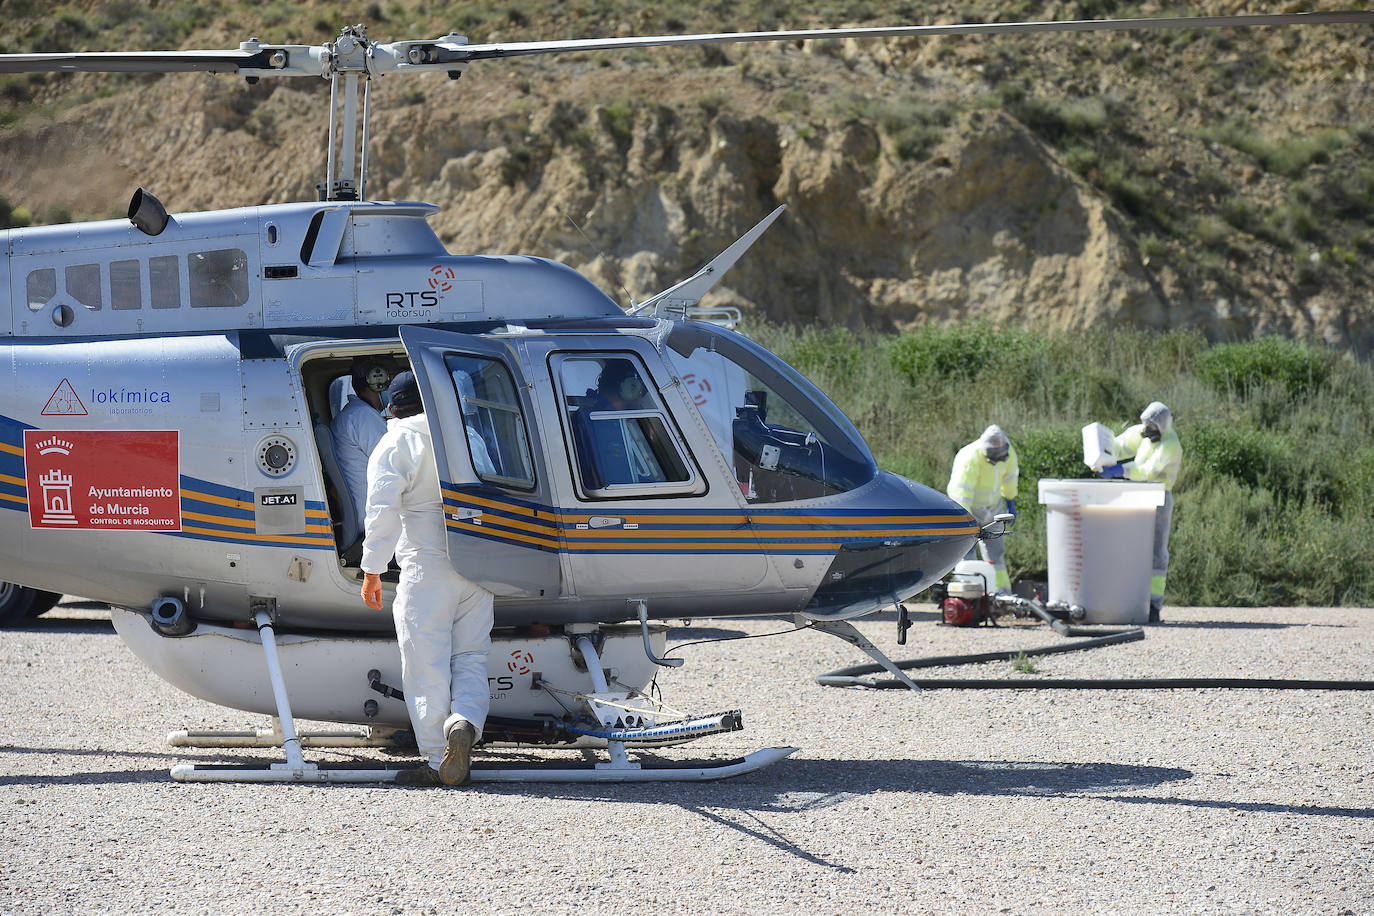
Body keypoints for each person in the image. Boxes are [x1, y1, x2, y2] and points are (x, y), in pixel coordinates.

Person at [360, 371, 493, 787]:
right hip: (479, 566)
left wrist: (371, 569)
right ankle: (465, 721)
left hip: (426, 567)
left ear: (392, 406)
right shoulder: (469, 436)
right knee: (471, 656)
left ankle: (438, 760)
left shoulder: (397, 441)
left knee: (425, 664)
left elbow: (380, 511)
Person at [1100, 401, 1183, 623]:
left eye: (1152, 428)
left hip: (1159, 497)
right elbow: (1120, 445)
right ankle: (1129, 600)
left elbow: (1148, 471)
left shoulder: (1170, 445)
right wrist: (1102, 454)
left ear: (1162, 428)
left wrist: (1119, 470)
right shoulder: (1143, 433)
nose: (1147, 431)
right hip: (1137, 495)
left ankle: (1154, 605)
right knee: (1131, 549)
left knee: (1156, 553)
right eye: (1146, 426)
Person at [946, 424, 1020, 592]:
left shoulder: (1009, 454)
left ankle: (1001, 594)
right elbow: (961, 494)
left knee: (996, 555)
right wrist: (966, 523)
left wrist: (1010, 500)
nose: (998, 458)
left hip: (994, 508)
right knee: (966, 555)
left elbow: (1010, 477)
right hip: (968, 509)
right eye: (994, 455)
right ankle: (970, 595)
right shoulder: (970, 458)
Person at [331, 356, 395, 526]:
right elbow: (394, 465)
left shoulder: (356, 413)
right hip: (376, 518)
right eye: (392, 380)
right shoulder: (363, 416)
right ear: (377, 382)